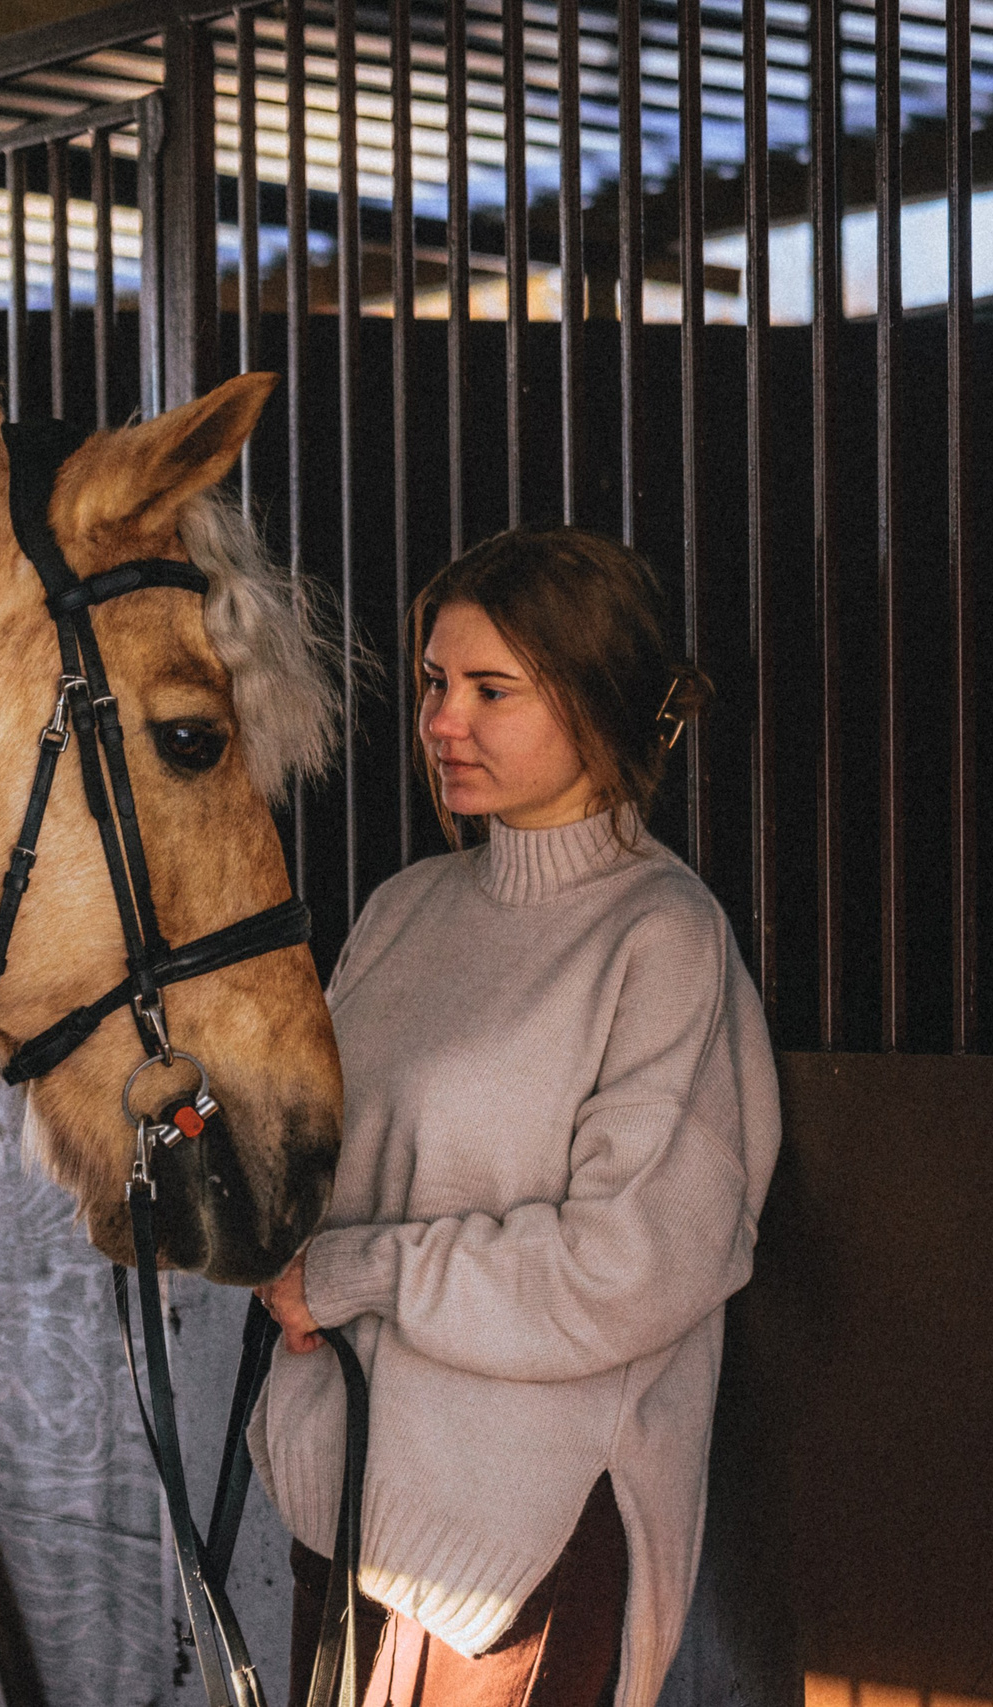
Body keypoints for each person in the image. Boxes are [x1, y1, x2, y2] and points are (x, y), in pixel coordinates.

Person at [248, 525, 781, 1707]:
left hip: (513, 1547)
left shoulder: (661, 938)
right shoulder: (402, 910)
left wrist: (359, 1275)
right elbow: (329, 1180)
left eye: (492, 689)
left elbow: (629, 1268)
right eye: (438, 683)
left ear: (592, 704)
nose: (443, 720)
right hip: (344, 1520)